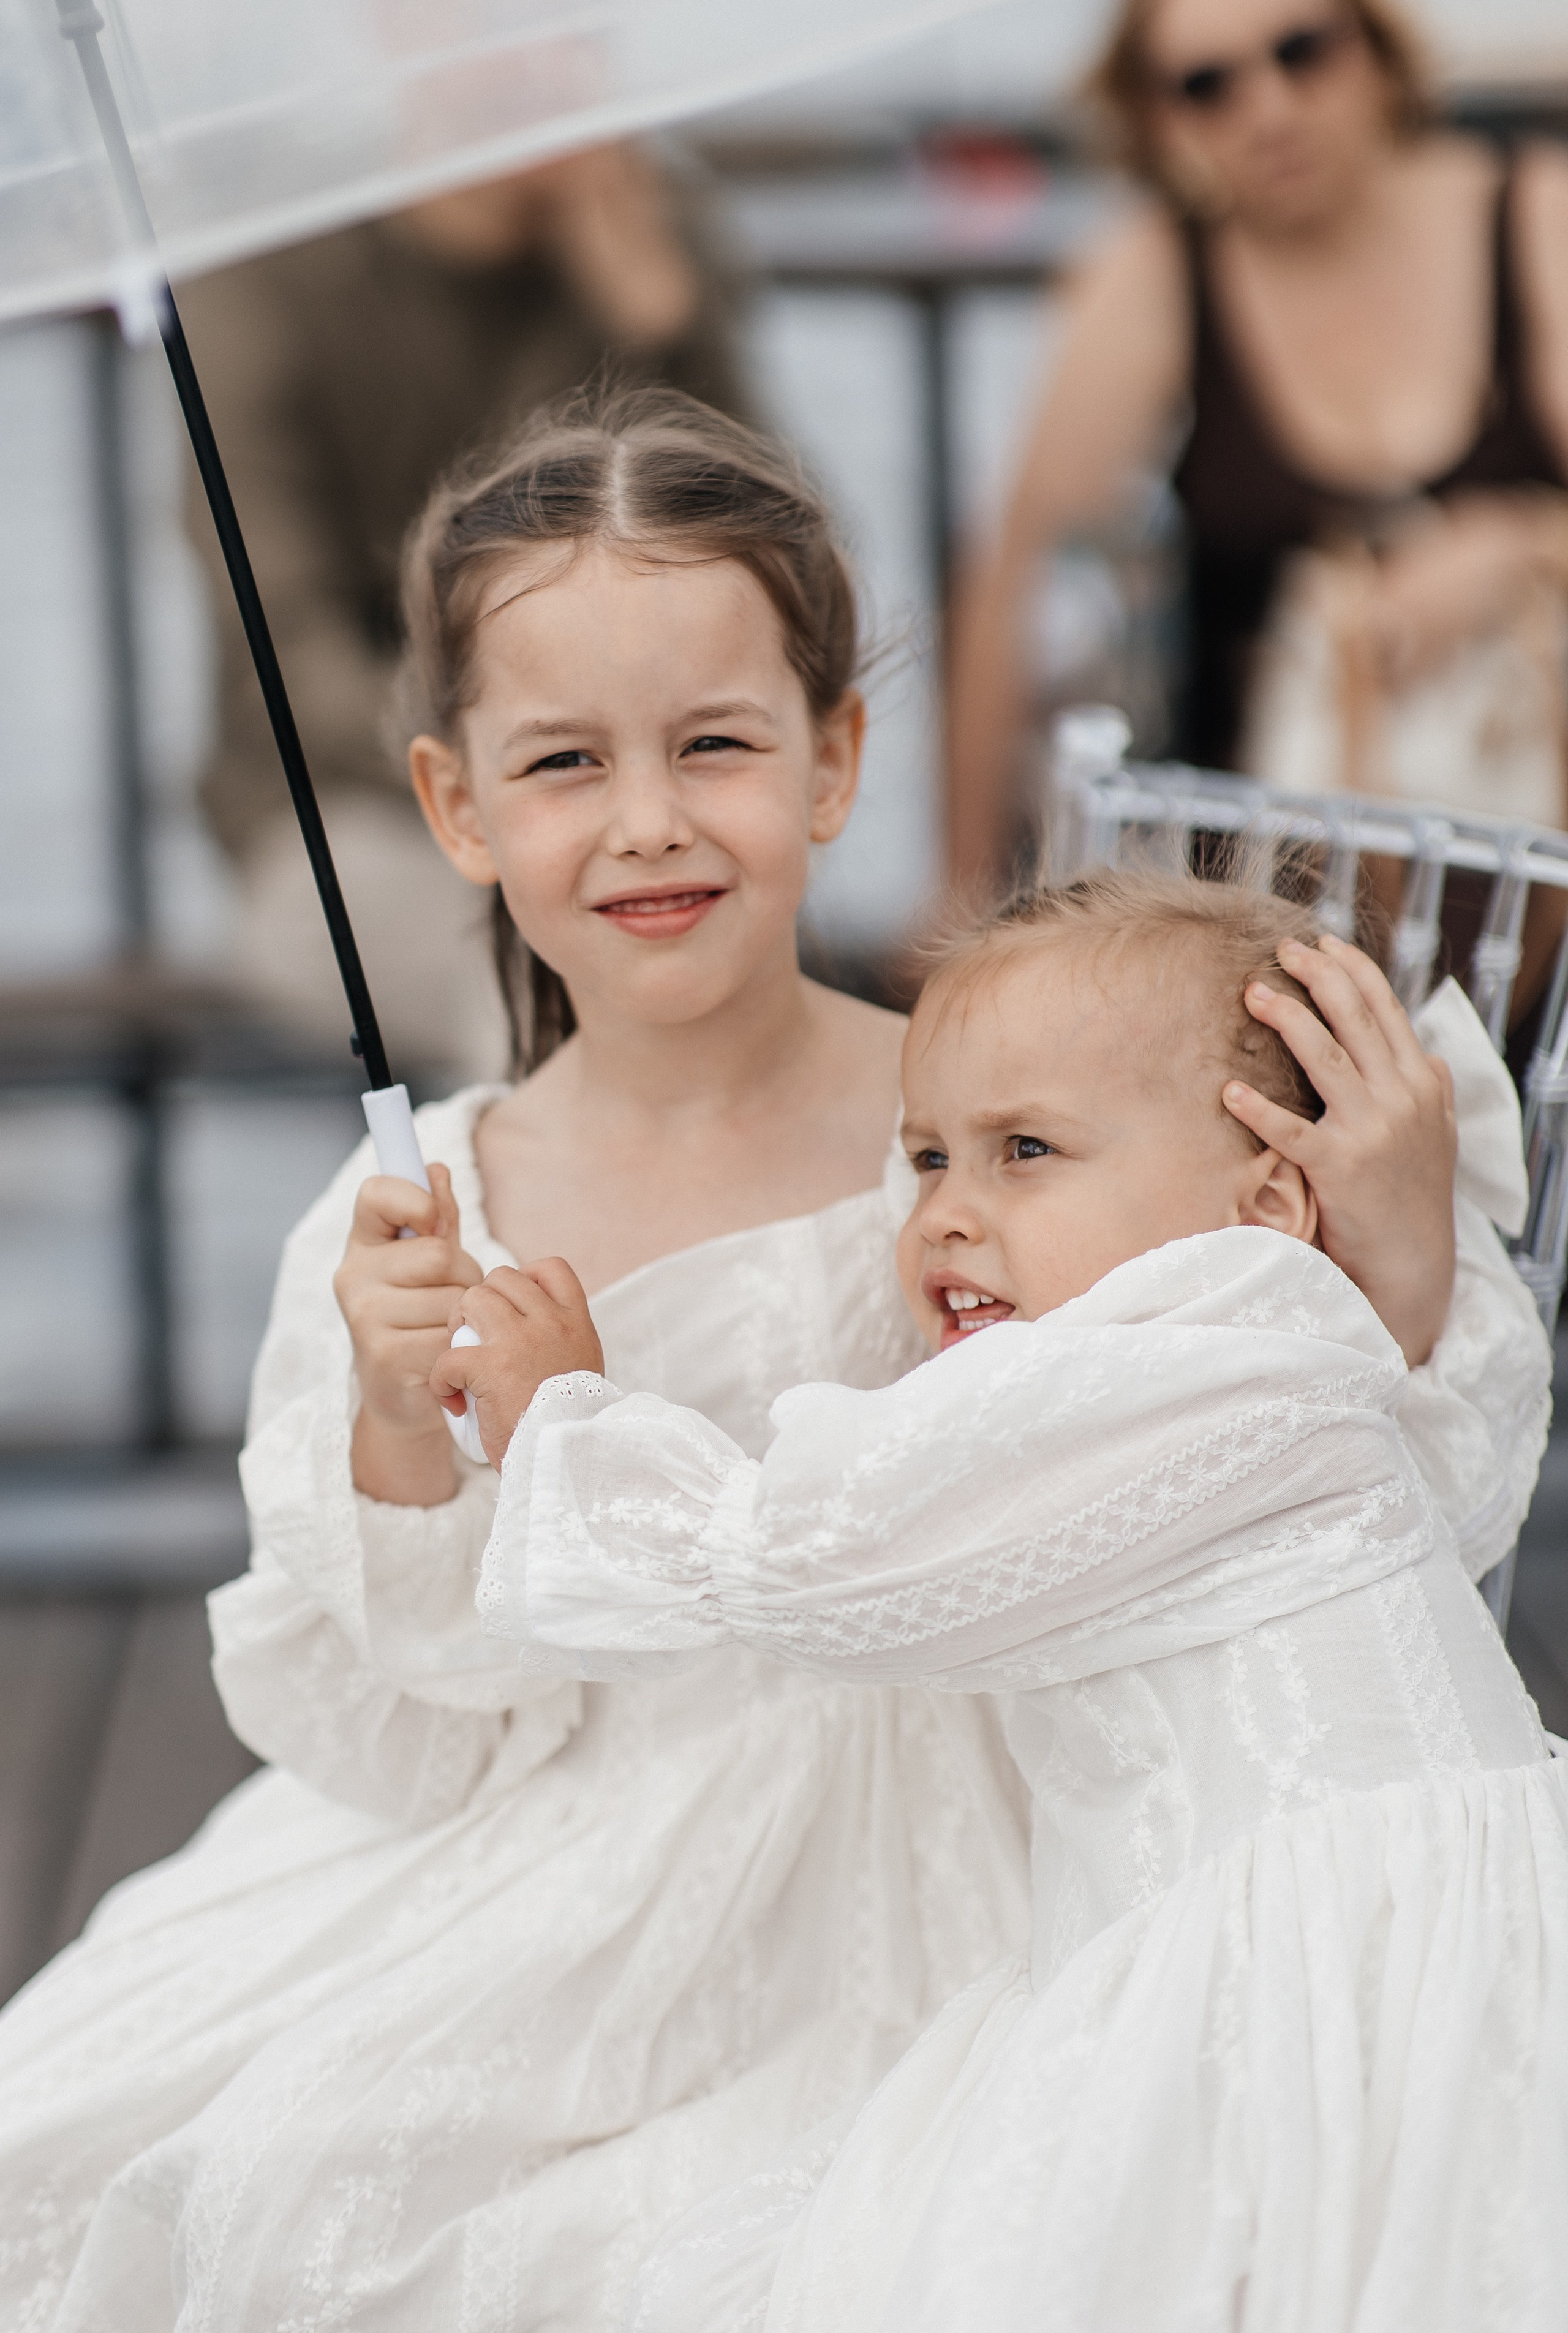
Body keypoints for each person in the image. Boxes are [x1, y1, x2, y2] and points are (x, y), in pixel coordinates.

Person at [0, 390, 1529, 2332]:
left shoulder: (1029, 1130)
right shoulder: (429, 1214)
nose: (648, 818)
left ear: (834, 761)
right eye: (565, 761)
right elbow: (412, 1738)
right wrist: (396, 1422)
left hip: (997, 1835)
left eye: (714, 743)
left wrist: (1400, 1262)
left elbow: (1337, 1485)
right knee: (229, 2174)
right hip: (588, 1866)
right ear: (459, 808)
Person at [471, 873, 1561, 2333]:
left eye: (1023, 1150)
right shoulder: (1298, 1355)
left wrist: (562, 1424)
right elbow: (1455, 1469)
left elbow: (826, 1558)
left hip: (1317, 1958)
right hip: (1369, 1936)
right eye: (924, 1159)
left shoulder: (1168, 1368)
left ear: (1260, 1205)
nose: (942, 1215)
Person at [946, 0, 1568, 891]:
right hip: (1273, 885)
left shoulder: (1536, 214)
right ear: (1156, 120)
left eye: (1302, 51)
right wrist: (960, 892)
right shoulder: (1153, 273)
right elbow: (1018, 579)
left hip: (1541, 867)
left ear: (1377, 50)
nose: (1268, 109)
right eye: (1207, 85)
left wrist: (1516, 546)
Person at [181, 145, 750, 1079]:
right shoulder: (267, 274)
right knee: (531, 978)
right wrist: (514, 754)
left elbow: (773, 582)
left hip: (621, 785)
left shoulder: (646, 230)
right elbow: (286, 650)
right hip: (342, 815)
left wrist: (671, 336)